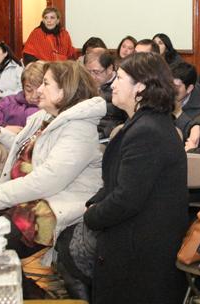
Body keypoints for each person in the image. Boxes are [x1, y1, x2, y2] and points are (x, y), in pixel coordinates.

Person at [0, 61, 106, 296]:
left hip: (52, 205)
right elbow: (31, 149)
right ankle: (34, 296)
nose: (39, 89)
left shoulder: (79, 129)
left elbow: (49, 179)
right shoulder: (45, 116)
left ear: (64, 90)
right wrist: (0, 135)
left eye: (46, 84)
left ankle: (21, 297)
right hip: (27, 199)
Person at [80, 53, 188, 304]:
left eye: (119, 78)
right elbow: (118, 183)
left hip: (142, 249)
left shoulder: (147, 131)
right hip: (137, 236)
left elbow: (127, 198)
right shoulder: (145, 124)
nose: (113, 84)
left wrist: (92, 215)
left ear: (140, 86)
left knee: (69, 246)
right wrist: (93, 204)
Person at [0, 61, 45, 132]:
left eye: (39, 90)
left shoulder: (50, 109)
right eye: (29, 90)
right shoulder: (7, 102)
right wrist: (4, 128)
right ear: (23, 87)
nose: (34, 96)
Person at [83, 51, 127, 139]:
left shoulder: (122, 86)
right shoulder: (85, 83)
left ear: (110, 69)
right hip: (85, 132)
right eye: (88, 72)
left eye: (96, 72)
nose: (91, 77)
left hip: (107, 138)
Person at [171, 61, 200, 139]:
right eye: (168, 84)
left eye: (176, 87)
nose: (170, 89)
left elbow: (197, 137)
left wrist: (178, 113)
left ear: (189, 88)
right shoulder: (162, 89)